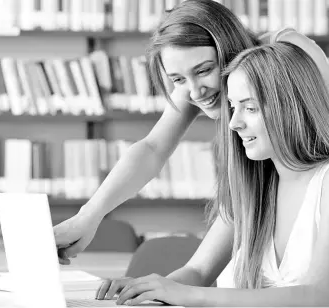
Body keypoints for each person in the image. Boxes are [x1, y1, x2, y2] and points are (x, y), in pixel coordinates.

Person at [54, 0, 329, 264]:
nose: (195, 92)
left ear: (228, 49)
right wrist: (88, 216)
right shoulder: (195, 82)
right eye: (178, 80)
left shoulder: (288, 55)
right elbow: (152, 149)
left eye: (205, 70)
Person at [96, 42, 329, 306]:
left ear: (291, 107)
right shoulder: (253, 186)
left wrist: (188, 295)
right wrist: (151, 289)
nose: (233, 122)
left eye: (249, 108)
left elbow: (319, 296)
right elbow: (198, 272)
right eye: (232, 106)